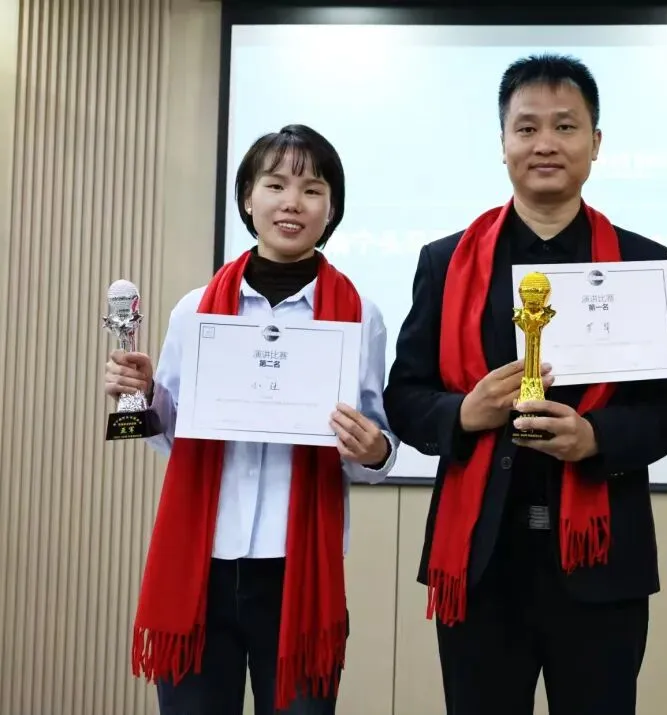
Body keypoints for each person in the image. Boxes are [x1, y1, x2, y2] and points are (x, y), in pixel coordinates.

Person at [383, 54, 667, 715]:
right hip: (481, 562)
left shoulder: (643, 263)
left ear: (596, 143)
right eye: (526, 128)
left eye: (565, 126)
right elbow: (404, 397)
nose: (545, 143)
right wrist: (462, 412)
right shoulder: (446, 261)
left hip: (602, 563)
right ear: (503, 143)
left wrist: (595, 436)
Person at [103, 124, 399, 715]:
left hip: (298, 574)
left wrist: (373, 451)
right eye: (276, 185)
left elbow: (377, 440)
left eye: (312, 190)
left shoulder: (359, 315)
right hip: (201, 566)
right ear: (247, 198)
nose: (293, 203)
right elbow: (176, 434)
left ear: (331, 209)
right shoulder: (196, 310)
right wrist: (144, 396)